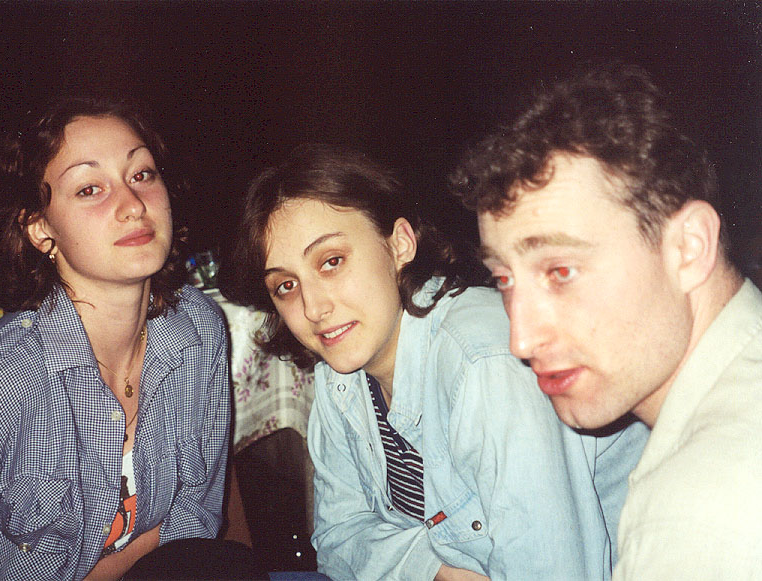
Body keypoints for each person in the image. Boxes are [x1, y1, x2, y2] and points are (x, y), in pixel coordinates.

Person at [224, 144, 648, 580]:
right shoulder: (340, 376)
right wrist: (434, 569)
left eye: (332, 262)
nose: (313, 308)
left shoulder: (484, 364)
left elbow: (555, 570)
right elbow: (337, 537)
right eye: (286, 286)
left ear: (400, 244)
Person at [0, 96, 241, 580]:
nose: (133, 205)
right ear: (39, 228)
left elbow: (194, 517)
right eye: (90, 188)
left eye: (141, 174)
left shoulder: (198, 329)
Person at [452, 63, 762, 578]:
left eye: (561, 271)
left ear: (688, 248)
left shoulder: (700, 507)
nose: (520, 340)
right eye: (504, 279)